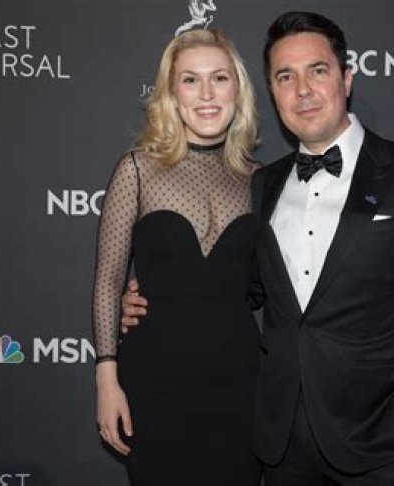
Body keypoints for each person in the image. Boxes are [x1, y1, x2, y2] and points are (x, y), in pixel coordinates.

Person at [123, 11, 394, 485]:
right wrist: (157, 296)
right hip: (281, 445)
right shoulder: (263, 184)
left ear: (346, 79)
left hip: (381, 443)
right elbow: (241, 288)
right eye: (285, 76)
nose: (302, 90)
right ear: (272, 92)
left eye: (317, 70)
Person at [92, 29, 261, 485]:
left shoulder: (262, 180)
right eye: (190, 80)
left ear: (238, 89)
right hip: (154, 381)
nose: (206, 94)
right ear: (171, 93)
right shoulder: (137, 169)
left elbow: (274, 286)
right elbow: (108, 281)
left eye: (219, 78)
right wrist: (106, 380)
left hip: (240, 385)